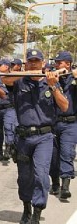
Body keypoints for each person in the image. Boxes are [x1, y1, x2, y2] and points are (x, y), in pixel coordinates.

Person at [2, 49, 68, 224]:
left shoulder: (51, 82)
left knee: (40, 176)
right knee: (24, 177)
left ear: (42, 62)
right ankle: (26, 208)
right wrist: (26, 73)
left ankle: (36, 216)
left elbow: (64, 106)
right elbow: (4, 79)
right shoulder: (19, 81)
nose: (33, 63)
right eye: (30, 61)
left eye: (36, 61)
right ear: (25, 63)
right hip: (23, 137)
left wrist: (53, 85)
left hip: (44, 137)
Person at [49, 51, 76, 199]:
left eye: (60, 63)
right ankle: (54, 183)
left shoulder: (74, 78)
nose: (57, 65)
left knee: (67, 153)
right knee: (53, 156)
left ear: (68, 64)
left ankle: (65, 186)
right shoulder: (53, 78)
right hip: (54, 122)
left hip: (70, 123)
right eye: (56, 62)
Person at [0, 59, 18, 161]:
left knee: (9, 128)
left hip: (9, 107)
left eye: (0, 65)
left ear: (7, 67)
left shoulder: (11, 78)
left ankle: (8, 149)